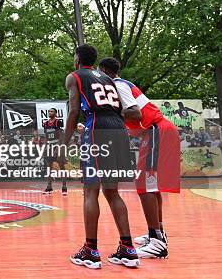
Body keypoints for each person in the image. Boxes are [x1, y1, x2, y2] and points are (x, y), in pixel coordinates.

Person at [63, 44, 139, 269]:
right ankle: (128, 248)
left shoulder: (74, 76)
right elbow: (123, 109)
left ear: (77, 58)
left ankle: (90, 250)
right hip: (118, 128)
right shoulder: (108, 78)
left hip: (97, 127)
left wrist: (62, 144)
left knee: (90, 190)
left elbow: (74, 110)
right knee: (112, 191)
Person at [99, 57, 180, 259]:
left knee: (144, 184)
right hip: (155, 131)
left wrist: (111, 116)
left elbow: (134, 113)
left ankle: (157, 242)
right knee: (150, 185)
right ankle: (157, 234)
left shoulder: (117, 85)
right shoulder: (121, 85)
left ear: (104, 72)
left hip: (155, 131)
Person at [42, 108, 67, 195]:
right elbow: (46, 136)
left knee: (61, 166)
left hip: (57, 144)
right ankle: (49, 186)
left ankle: (64, 187)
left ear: (55, 113)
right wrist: (44, 147)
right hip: (49, 145)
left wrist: (58, 147)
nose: (49, 112)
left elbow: (61, 135)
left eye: (51, 111)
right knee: (49, 167)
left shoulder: (57, 122)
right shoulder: (45, 124)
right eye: (48, 111)